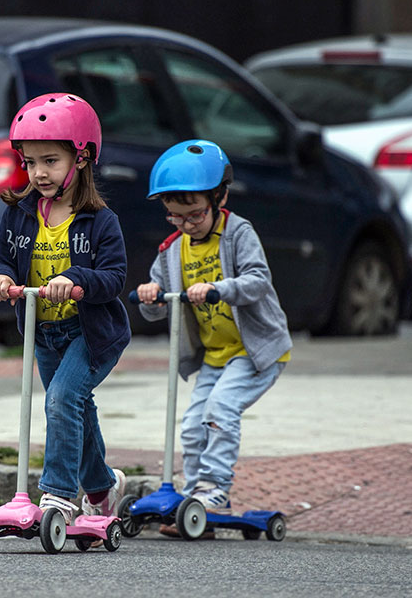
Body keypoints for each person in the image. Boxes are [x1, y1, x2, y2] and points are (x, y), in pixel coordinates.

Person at [0, 93, 130, 526]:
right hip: (43, 332)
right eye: (30, 162)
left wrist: (77, 279)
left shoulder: (101, 221)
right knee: (72, 407)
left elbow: (114, 278)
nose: (39, 173)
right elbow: (1, 259)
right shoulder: (19, 215)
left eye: (50, 161)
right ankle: (102, 488)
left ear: (81, 158)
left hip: (91, 334)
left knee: (62, 399)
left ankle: (59, 497)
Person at [135, 139, 291, 533]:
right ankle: (195, 499)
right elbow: (157, 306)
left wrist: (219, 289)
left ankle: (215, 489)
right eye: (175, 217)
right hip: (214, 355)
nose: (186, 224)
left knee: (220, 410)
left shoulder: (238, 233)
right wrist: (151, 296)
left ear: (219, 197)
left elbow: (258, 280)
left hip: (254, 351)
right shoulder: (172, 250)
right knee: (192, 424)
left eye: (195, 215)